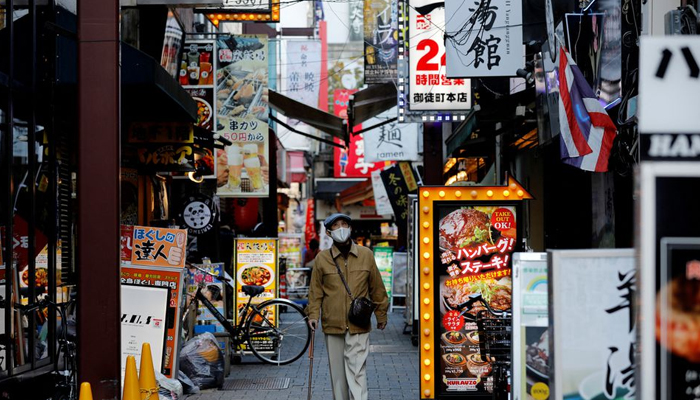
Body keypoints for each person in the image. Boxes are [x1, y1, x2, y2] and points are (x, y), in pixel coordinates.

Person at [307, 213, 389, 400]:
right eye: (336, 225)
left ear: (351, 229)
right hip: (332, 323)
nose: (341, 228)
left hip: (358, 323)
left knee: (356, 369)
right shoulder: (322, 259)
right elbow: (315, 291)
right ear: (329, 232)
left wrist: (381, 315)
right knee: (338, 376)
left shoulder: (366, 255)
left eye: (345, 224)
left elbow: (377, 287)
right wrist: (313, 315)